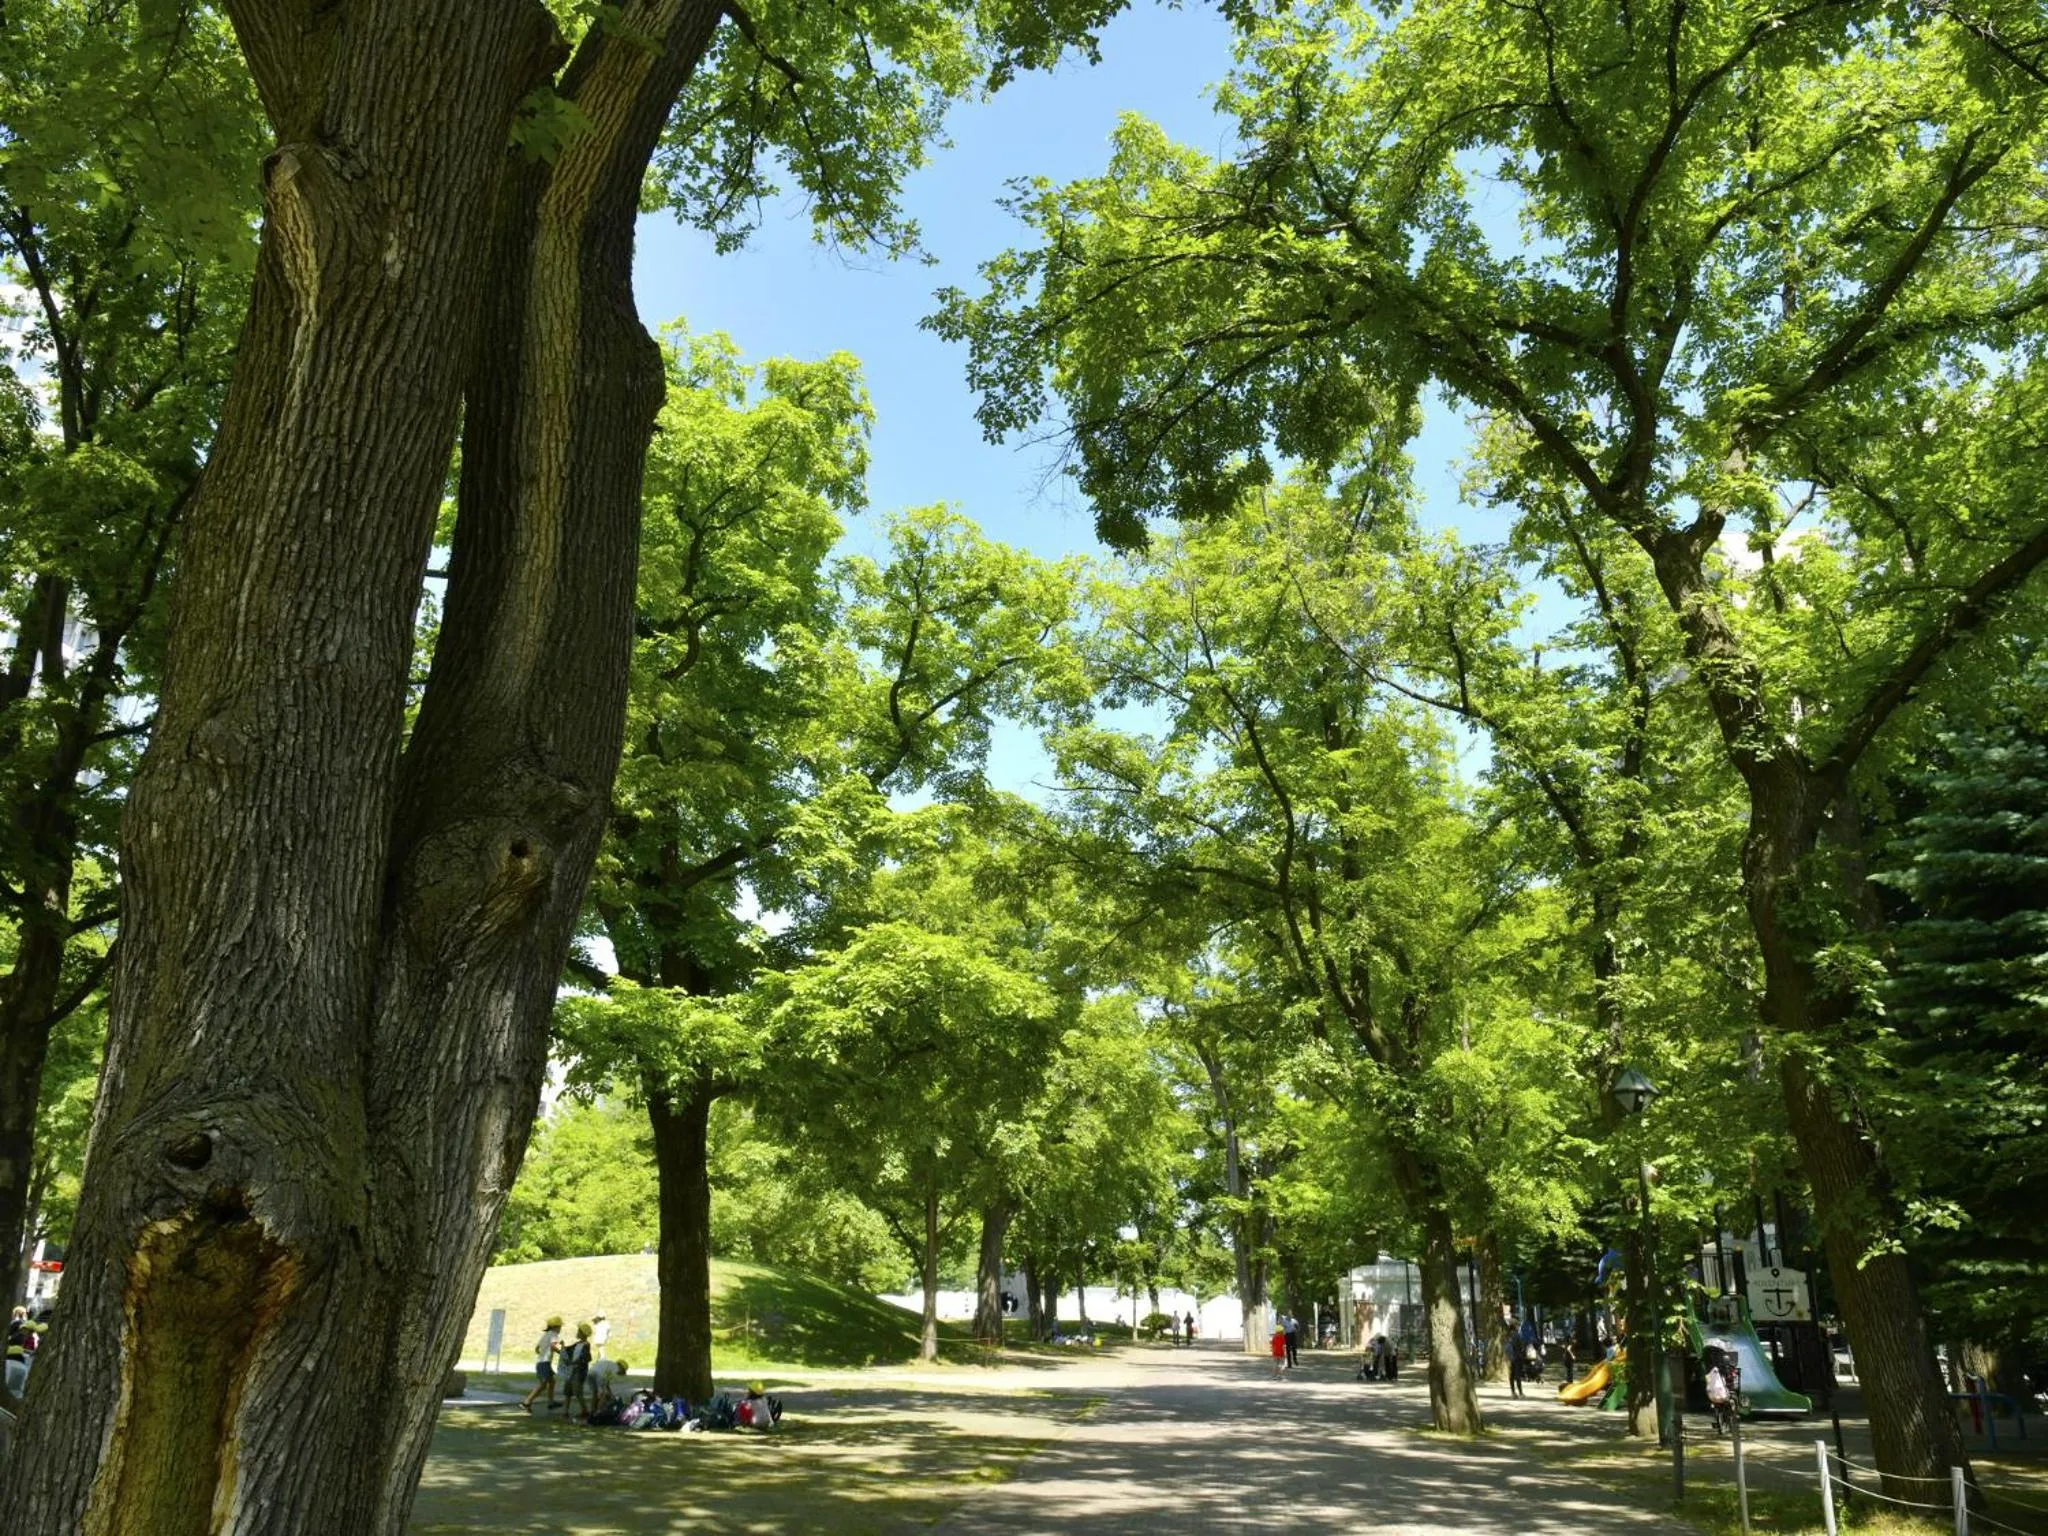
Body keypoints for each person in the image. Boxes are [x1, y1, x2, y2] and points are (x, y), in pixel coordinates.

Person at [522, 1315, 563, 1413]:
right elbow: (553, 1346)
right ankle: (527, 1402)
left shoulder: (546, 1334)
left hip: (541, 1362)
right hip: (545, 1362)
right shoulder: (553, 1334)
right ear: (555, 1327)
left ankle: (551, 1402)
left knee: (552, 1382)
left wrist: (542, 1353)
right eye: (560, 1327)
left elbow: (537, 1348)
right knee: (543, 1384)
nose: (560, 1329)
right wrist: (562, 1353)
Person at [560, 1321, 595, 1420]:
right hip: (571, 1371)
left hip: (578, 1373)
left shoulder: (586, 1345)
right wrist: (562, 1347)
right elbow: (567, 1351)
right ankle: (565, 1411)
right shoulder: (577, 1344)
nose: (577, 1332)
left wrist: (574, 1362)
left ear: (583, 1334)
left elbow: (585, 1358)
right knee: (568, 1391)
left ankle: (585, 1411)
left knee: (577, 1392)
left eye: (579, 1331)